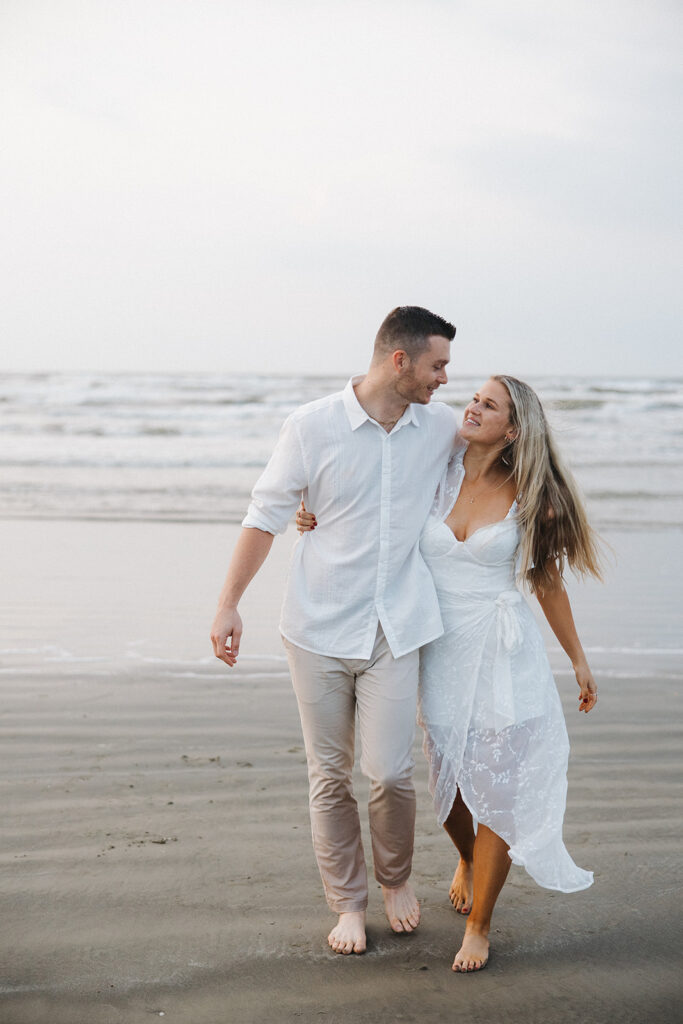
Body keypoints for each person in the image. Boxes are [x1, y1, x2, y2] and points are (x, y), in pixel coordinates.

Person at [297, 374, 601, 972]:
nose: (473, 405)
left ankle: (481, 925)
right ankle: (466, 856)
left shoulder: (532, 494)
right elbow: (371, 505)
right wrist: (315, 515)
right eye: (475, 397)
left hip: (503, 654)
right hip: (438, 651)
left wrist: (578, 658)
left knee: (499, 794)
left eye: (490, 405)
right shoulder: (436, 470)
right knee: (453, 791)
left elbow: (547, 582)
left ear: (513, 429)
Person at [210, 306, 458, 956]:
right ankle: (347, 903)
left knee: (391, 773)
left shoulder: (440, 429)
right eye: (436, 366)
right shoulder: (311, 425)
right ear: (397, 360)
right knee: (327, 775)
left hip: (396, 627)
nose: (443, 381)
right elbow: (265, 512)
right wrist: (228, 604)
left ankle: (396, 880)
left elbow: (505, 443)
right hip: (316, 626)